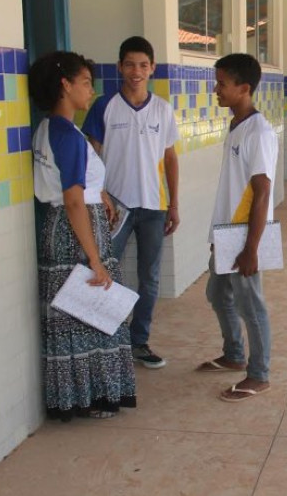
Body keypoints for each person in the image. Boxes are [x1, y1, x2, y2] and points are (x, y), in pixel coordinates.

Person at [30, 51, 137, 421]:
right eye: (86, 83)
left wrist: (100, 194)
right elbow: (73, 199)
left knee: (75, 316)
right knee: (93, 311)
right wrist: (94, 259)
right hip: (76, 232)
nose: (91, 91)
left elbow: (76, 186)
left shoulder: (49, 128)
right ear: (65, 85)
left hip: (60, 228)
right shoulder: (68, 135)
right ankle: (96, 396)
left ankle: (78, 396)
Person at [82, 36, 180, 369]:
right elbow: (90, 156)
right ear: (119, 67)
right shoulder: (104, 106)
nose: (136, 71)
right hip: (114, 209)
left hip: (154, 207)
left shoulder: (162, 109)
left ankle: (139, 341)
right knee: (105, 271)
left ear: (152, 68)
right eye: (129, 65)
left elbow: (170, 159)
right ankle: (107, 342)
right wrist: (98, 195)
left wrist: (174, 204)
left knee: (149, 278)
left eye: (142, 65)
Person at [201, 53, 278, 402]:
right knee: (218, 294)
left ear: (244, 88)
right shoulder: (237, 125)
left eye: (222, 84)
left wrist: (251, 248)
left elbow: (262, 192)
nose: (216, 90)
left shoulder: (258, 132)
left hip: (244, 234)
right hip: (227, 231)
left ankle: (259, 374)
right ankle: (234, 354)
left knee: (251, 305)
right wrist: (218, 236)